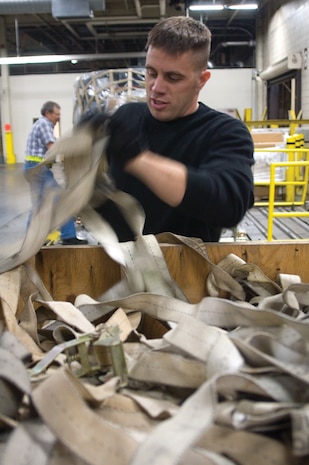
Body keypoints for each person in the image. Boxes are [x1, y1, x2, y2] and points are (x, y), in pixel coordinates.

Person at [95, 16, 255, 242]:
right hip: (117, 268)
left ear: (201, 80)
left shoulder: (225, 132)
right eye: (151, 73)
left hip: (184, 272)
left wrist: (138, 159)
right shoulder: (127, 117)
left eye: (173, 77)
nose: (156, 87)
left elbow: (229, 206)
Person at [23, 101, 87, 245]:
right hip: (37, 169)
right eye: (56, 114)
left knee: (40, 205)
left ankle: (31, 238)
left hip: (36, 168)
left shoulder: (43, 124)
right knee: (63, 201)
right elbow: (53, 147)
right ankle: (68, 236)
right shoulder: (45, 124)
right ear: (48, 113)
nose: (58, 117)